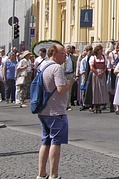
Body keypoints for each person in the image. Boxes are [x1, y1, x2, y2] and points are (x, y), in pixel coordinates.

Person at [36, 44, 75, 179]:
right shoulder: (56, 68)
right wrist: (70, 83)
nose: (65, 55)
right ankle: (54, 175)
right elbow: (60, 89)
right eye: (62, 53)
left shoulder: (43, 66)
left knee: (45, 141)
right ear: (54, 54)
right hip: (56, 111)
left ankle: (41, 174)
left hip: (44, 109)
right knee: (55, 142)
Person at [89, 44, 108, 113]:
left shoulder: (103, 57)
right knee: (95, 89)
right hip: (95, 74)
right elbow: (91, 67)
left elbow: (105, 66)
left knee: (101, 89)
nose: (101, 51)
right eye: (100, 50)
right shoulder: (93, 57)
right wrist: (97, 73)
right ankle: (95, 105)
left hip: (102, 74)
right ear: (97, 50)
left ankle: (100, 104)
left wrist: (103, 72)